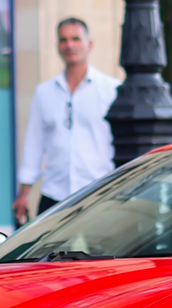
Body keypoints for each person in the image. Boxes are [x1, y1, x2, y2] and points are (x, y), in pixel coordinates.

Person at [14, 17, 116, 224]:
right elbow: (34, 145)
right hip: (55, 195)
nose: (69, 45)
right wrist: (24, 194)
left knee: (100, 256)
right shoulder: (44, 92)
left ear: (90, 44)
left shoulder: (111, 90)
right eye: (63, 40)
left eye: (76, 39)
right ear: (57, 46)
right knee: (47, 256)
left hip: (99, 193)